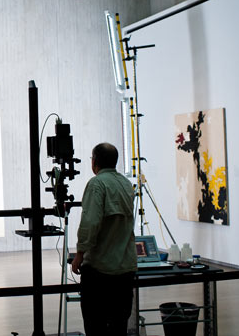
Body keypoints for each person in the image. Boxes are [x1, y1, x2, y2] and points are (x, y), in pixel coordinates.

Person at [71, 142, 137, 336]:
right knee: (119, 326)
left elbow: (90, 223)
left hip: (100, 271)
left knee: (96, 326)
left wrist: (79, 254)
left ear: (95, 162)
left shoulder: (96, 184)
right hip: (125, 269)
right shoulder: (126, 184)